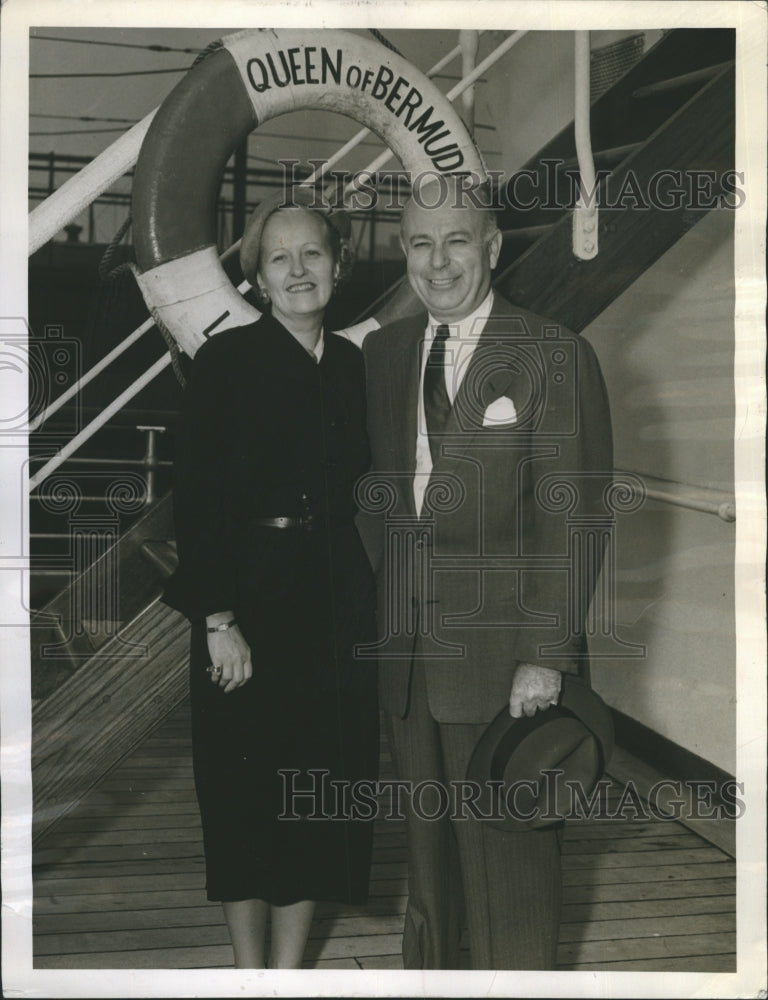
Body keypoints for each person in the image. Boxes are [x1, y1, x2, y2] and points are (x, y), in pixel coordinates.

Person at [358, 176, 613, 969]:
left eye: (457, 240)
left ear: (493, 247)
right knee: (431, 879)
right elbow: (377, 492)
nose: (438, 263)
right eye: (421, 243)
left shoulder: (553, 354)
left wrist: (546, 654)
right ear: (405, 252)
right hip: (408, 664)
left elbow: (572, 519)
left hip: (506, 665)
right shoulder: (386, 352)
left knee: (511, 871)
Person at [162, 186, 379, 969]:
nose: (297, 270)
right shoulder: (224, 361)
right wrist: (217, 620)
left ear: (338, 266)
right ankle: (250, 977)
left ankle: (289, 978)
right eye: (278, 258)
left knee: (315, 794)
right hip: (245, 608)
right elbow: (196, 501)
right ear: (253, 278)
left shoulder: (354, 365)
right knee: (244, 797)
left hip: (330, 606)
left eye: (312, 253)